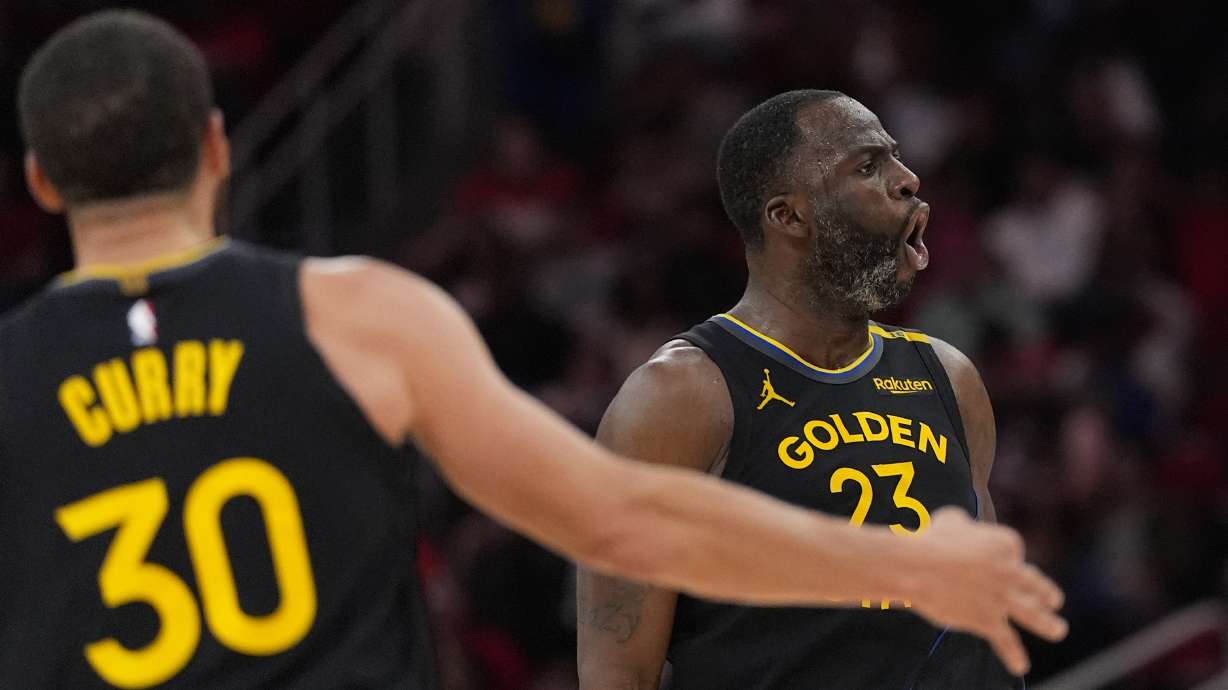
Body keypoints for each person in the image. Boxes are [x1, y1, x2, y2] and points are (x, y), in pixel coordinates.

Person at [0, 13, 1064, 689]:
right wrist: (902, 560)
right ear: (218, 148)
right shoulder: (361, 315)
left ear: (42, 182)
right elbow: (617, 516)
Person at [578, 90, 1057, 690]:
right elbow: (621, 673)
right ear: (789, 216)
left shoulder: (949, 378)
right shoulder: (682, 397)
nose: (908, 180)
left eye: (897, 158)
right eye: (867, 166)